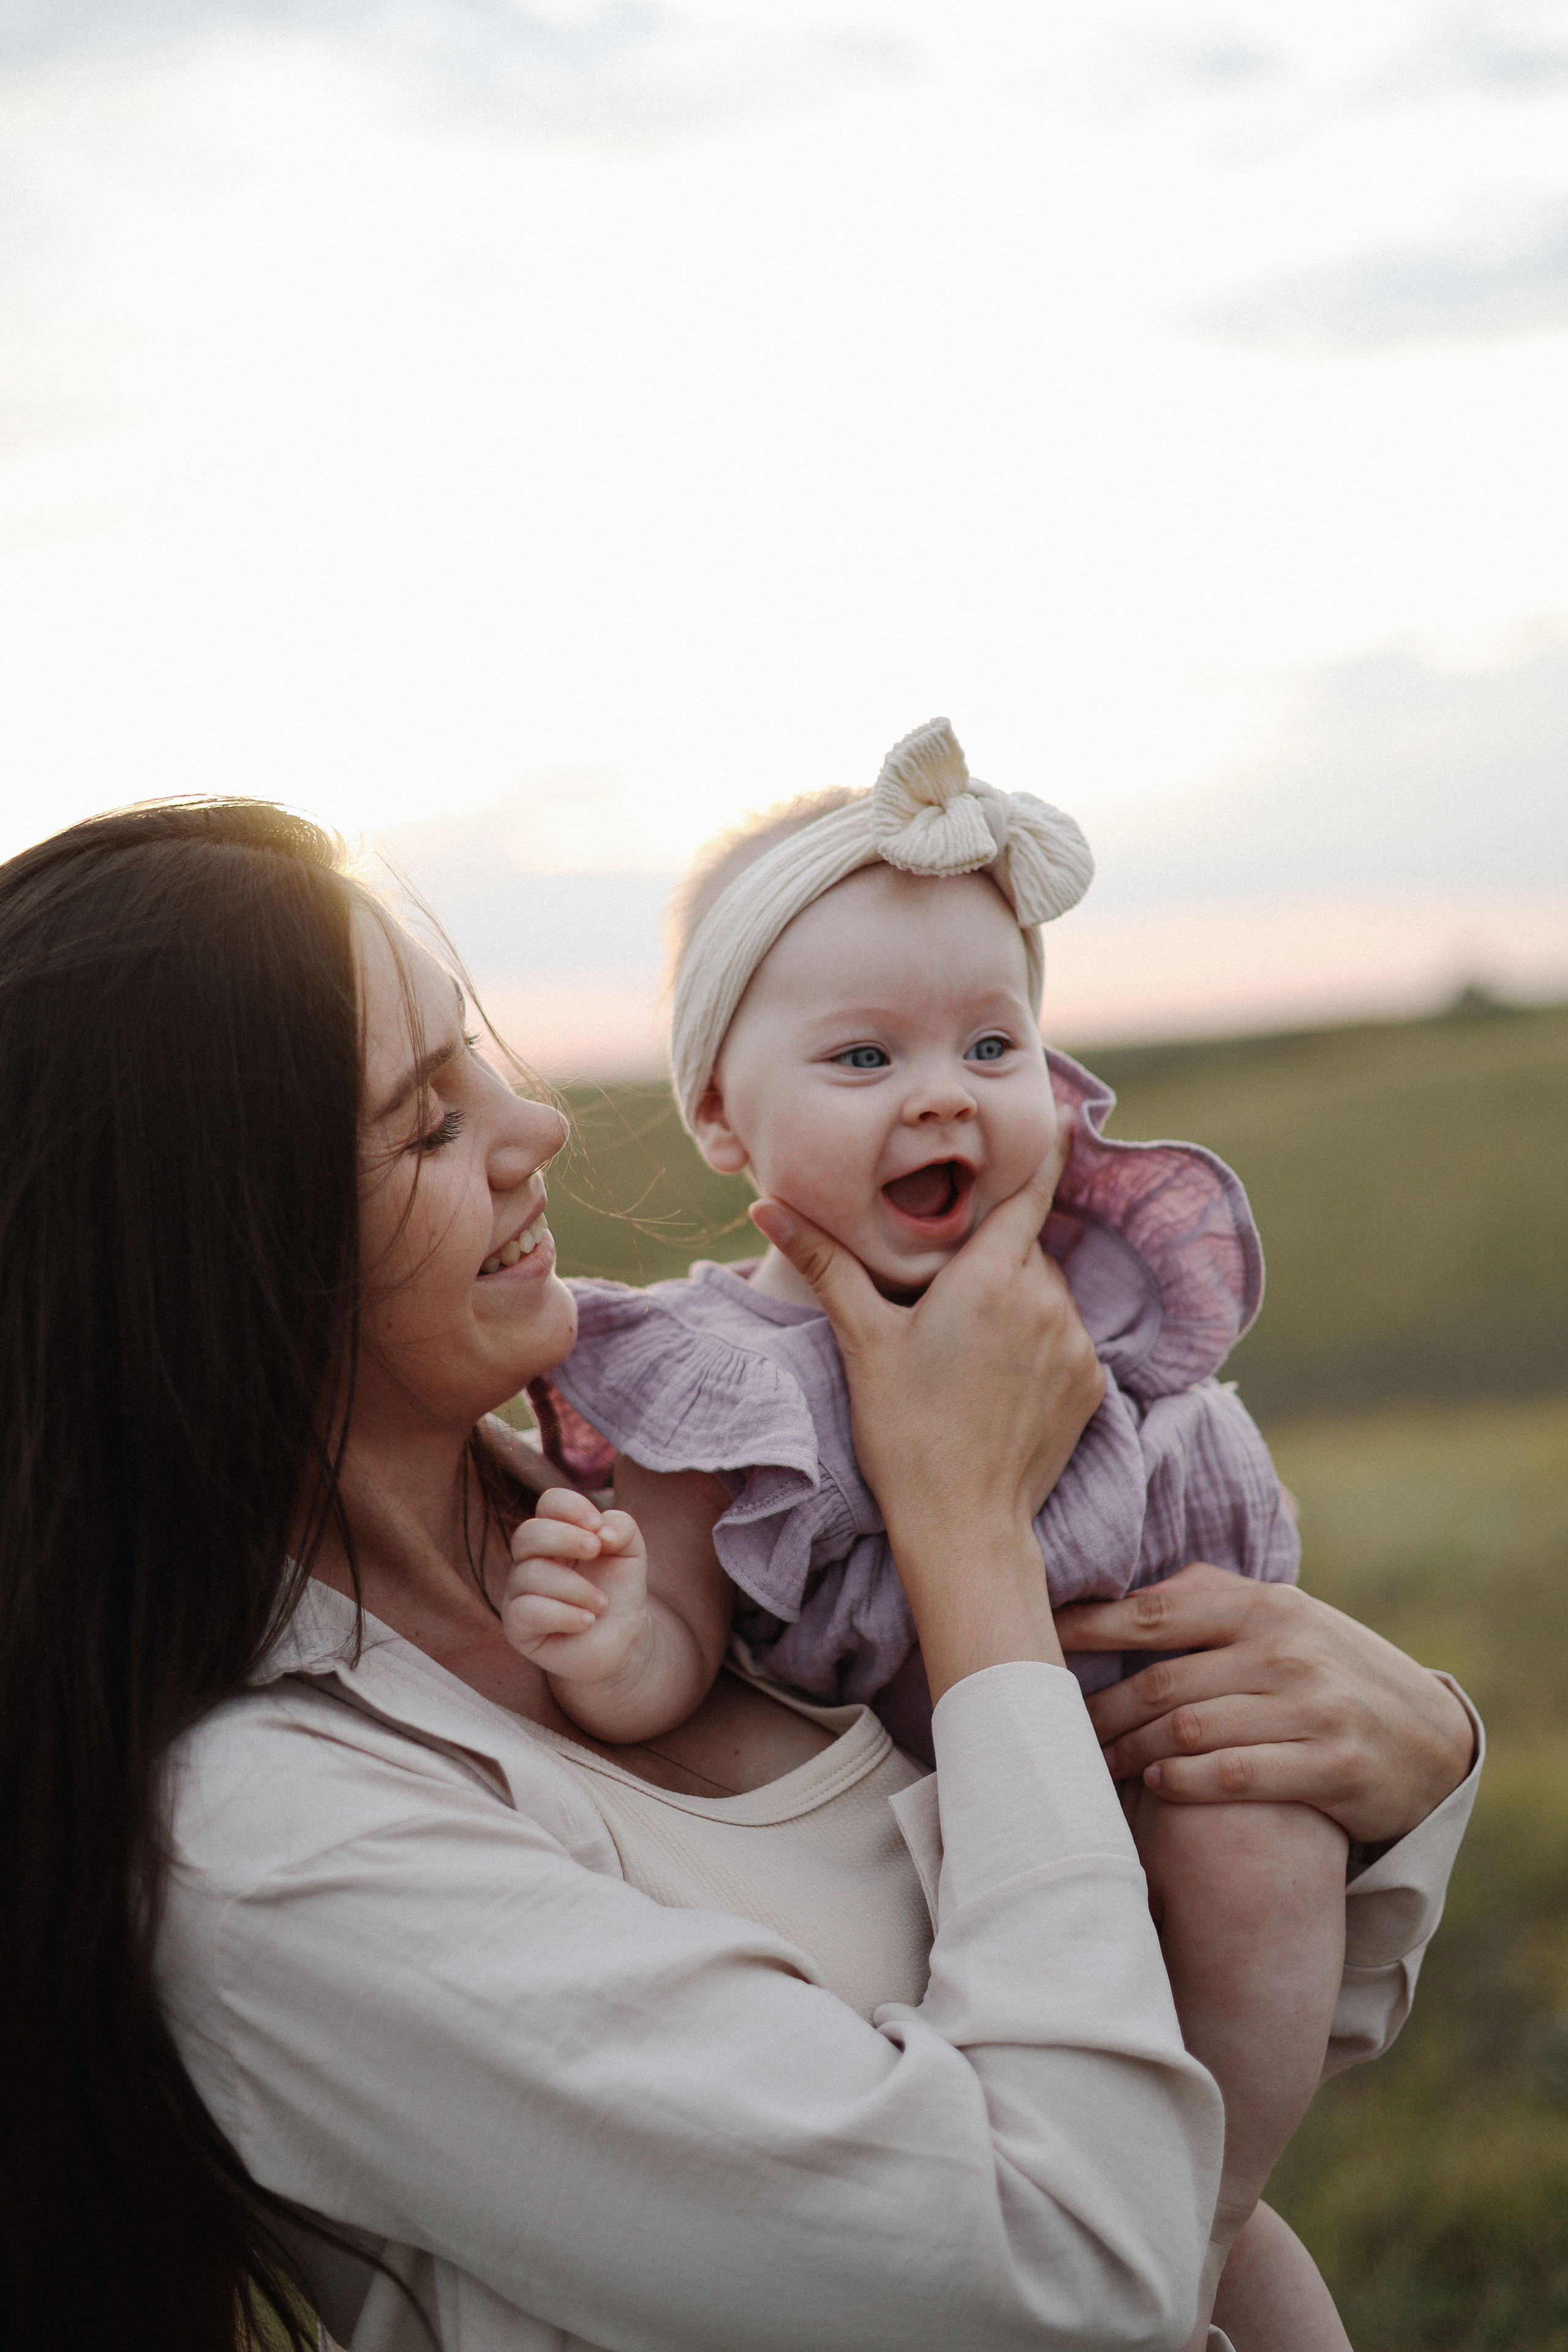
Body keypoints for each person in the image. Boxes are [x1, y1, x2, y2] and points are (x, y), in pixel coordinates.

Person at [0, 800, 1480, 2352]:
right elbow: (1069, 2281)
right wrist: (961, 1533)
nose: (539, 1128)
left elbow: (1174, 2058)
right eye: (430, 1121)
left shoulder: (691, 1500)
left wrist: (1405, 1765)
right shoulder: (278, 1852)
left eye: (481, 1061)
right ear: (206, 1269)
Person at [505, 719, 1340, 2343]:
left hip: (1160, 1762)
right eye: (864, 1060)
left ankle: (1201, 2206)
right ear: (722, 1122)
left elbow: (1241, 1567)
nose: (941, 1098)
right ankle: (1147, 2246)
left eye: (991, 1046)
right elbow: (674, 1649)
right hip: (933, 1862)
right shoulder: (712, 1380)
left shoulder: (1086, 1311)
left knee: (1265, 1851)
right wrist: (617, 1639)